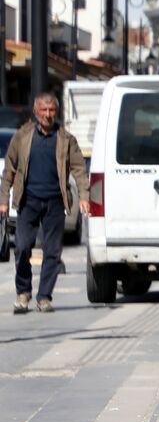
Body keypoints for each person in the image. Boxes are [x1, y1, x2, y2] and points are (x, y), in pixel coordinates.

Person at [0, 94, 90, 313]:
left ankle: (44, 296)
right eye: (44, 110)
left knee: (53, 252)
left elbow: (79, 168)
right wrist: (3, 200)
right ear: (35, 112)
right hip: (28, 200)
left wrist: (85, 197)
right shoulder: (22, 136)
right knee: (22, 248)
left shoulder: (66, 139)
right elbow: (9, 169)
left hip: (55, 202)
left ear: (56, 113)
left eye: (51, 111)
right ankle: (23, 292)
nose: (48, 115)